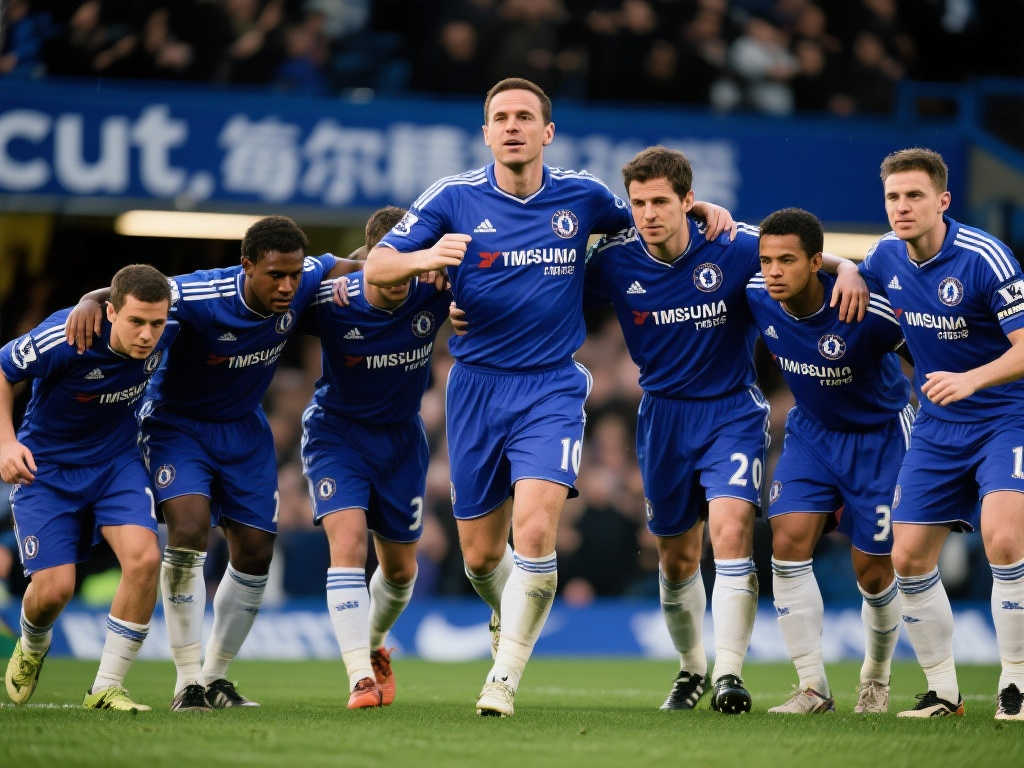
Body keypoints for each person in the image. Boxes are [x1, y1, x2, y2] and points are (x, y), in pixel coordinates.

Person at [362, 77, 734, 717]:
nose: (513, 126)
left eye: (525, 117)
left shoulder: (582, 196)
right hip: (475, 387)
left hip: (551, 387)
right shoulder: (452, 197)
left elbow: (651, 216)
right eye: (501, 117)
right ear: (486, 132)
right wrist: (428, 257)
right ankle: (506, 612)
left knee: (534, 530)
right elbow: (377, 267)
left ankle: (502, 680)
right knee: (481, 556)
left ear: (547, 131)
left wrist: (701, 210)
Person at [582, 148, 867, 714]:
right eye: (638, 203)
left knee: (731, 530)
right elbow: (552, 292)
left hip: (731, 412)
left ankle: (729, 675)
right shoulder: (614, 260)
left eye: (660, 201)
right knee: (675, 557)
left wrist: (849, 268)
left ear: (688, 201)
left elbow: (797, 255)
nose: (648, 214)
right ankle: (691, 668)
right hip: (663, 416)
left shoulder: (732, 244)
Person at [66, 216, 359, 711]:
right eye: (275, 275)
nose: (287, 286)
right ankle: (188, 682)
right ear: (247, 266)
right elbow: (138, 290)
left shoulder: (305, 276)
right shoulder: (199, 294)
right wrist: (88, 301)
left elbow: (356, 263)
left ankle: (216, 676)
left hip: (243, 430)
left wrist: (419, 267)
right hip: (177, 425)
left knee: (256, 552)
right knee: (189, 527)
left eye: (294, 275)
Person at [860, 148, 1024, 720]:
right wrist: (845, 270)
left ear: (943, 201)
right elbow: (846, 267)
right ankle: (943, 694)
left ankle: (1016, 683)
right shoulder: (883, 255)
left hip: (1005, 416)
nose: (902, 206)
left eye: (914, 195)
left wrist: (971, 379)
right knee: (907, 558)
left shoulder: (985, 257)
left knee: (1004, 540)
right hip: (936, 426)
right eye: (893, 197)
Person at [747, 207, 911, 714]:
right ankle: (812, 687)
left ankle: (875, 678)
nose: (773, 272)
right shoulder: (757, 294)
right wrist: (847, 264)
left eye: (787, 261)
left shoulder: (865, 308)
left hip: (879, 437)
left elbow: (930, 353)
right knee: (787, 541)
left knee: (873, 572)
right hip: (813, 433)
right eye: (766, 261)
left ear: (815, 262)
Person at [2, 264, 176, 711]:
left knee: (145, 559)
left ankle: (106, 686)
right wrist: (5, 443)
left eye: (156, 323)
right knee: (54, 590)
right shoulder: (66, 336)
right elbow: (2, 369)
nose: (147, 334)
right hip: (46, 469)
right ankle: (33, 644)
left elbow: (199, 288)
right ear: (112, 313)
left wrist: (91, 295)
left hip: (117, 464)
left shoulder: (171, 323)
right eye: (136, 321)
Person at [300, 206, 450, 708]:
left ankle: (374, 644)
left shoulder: (434, 288)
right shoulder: (331, 299)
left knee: (402, 571)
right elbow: (265, 302)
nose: (401, 275)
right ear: (371, 258)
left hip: (401, 441)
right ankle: (360, 677)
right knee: (347, 543)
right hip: (337, 435)